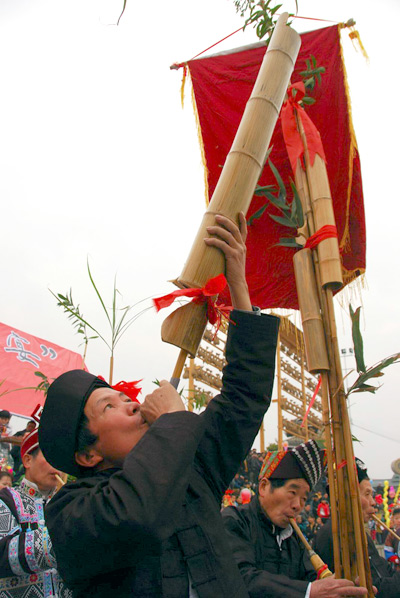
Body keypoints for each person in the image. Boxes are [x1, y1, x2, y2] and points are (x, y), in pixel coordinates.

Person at [39, 213, 280, 598]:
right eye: (109, 407)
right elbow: (138, 515)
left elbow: (243, 400)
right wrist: (172, 421)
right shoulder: (70, 513)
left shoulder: (191, 465)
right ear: (86, 454)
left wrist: (239, 287)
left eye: (125, 396)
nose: (133, 405)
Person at [222, 439, 368, 598]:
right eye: (292, 493)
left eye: (304, 499)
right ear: (264, 487)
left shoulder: (294, 538)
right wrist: (309, 592)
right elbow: (242, 579)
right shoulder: (234, 521)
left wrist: (339, 588)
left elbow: (310, 579)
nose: (297, 505)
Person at [314, 457, 400, 598]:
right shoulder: (335, 535)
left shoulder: (359, 532)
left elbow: (383, 569)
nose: (373, 502)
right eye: (367, 494)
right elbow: (372, 588)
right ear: (349, 496)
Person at [0, 425, 70, 597]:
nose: (58, 464)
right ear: (27, 460)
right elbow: (3, 556)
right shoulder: (5, 500)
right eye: (50, 455)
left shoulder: (68, 504)